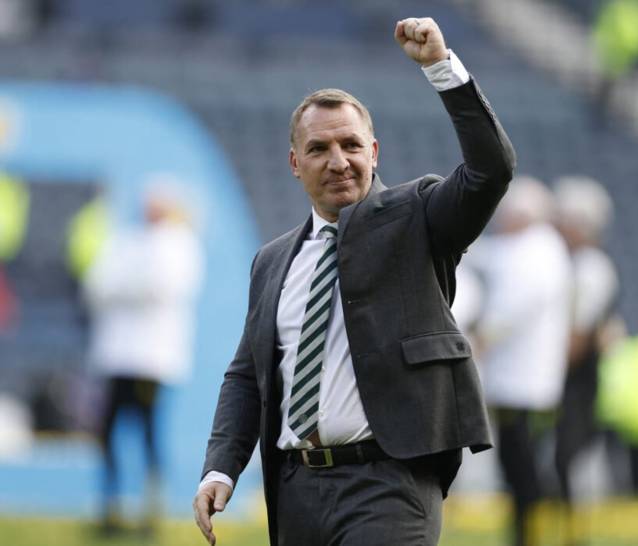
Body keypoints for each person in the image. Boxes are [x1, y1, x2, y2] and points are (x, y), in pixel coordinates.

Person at [193, 17, 515, 546]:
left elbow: (491, 171)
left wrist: (440, 67)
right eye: (319, 149)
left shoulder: (418, 217)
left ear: (374, 152)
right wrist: (220, 469)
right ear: (295, 163)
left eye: (351, 145)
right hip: (295, 490)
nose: (338, 161)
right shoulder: (271, 261)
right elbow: (247, 376)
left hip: (389, 484)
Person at [84, 186, 204, 533]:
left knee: (149, 432)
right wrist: (127, 287)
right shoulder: (125, 241)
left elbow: (159, 287)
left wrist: (123, 287)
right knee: (108, 432)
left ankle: (150, 510)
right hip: (116, 356)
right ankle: (112, 507)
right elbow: (96, 285)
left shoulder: (179, 244)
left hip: (152, 359)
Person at [466, 177, 572, 546]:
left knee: (522, 467)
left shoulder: (538, 252)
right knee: (517, 466)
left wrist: (483, 336)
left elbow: (513, 307)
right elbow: (484, 254)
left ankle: (528, 535)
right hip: (519, 381)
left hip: (524, 384)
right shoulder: (528, 249)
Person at [552, 175, 619, 502]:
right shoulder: (580, 265)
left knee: (566, 458)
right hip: (576, 380)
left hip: (578, 383)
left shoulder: (590, 268)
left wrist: (550, 374)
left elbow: (578, 333)